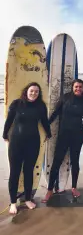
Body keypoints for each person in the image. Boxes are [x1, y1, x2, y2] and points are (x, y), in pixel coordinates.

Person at [2, 82, 51, 215]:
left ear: (38, 93)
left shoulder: (40, 106)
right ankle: (13, 202)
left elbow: (44, 122)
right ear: (26, 91)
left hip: (33, 143)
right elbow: (9, 121)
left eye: (36, 91)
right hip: (16, 143)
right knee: (15, 173)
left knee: (28, 171)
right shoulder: (17, 104)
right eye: (31, 91)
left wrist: (49, 133)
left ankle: (28, 199)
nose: (34, 93)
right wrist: (4, 134)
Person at [43, 79, 83, 202]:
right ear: (72, 87)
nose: (78, 89)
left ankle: (74, 187)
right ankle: (49, 190)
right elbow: (55, 113)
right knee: (57, 161)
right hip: (63, 135)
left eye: (80, 87)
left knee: (75, 161)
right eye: (76, 86)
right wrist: (45, 127)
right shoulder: (65, 98)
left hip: (77, 136)